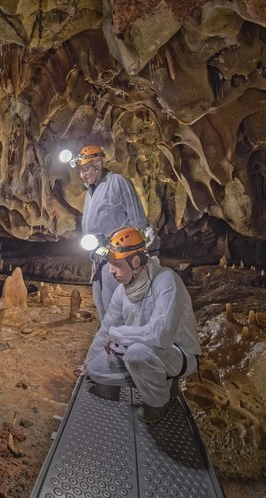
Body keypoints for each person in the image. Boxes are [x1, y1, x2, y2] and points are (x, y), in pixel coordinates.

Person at [77, 227, 201, 424]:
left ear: (135, 262)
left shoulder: (166, 281)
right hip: (143, 349)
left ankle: (158, 403)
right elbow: (107, 328)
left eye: (116, 264)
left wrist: (118, 334)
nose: (111, 271)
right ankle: (156, 379)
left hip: (177, 353)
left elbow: (161, 336)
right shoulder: (123, 290)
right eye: (110, 264)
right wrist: (88, 360)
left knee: (136, 353)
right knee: (95, 369)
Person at [74, 145, 148, 321]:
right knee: (102, 303)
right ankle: (108, 341)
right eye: (80, 171)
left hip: (121, 256)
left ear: (98, 165)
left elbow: (138, 221)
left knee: (120, 306)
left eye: (85, 169)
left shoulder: (117, 182)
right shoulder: (89, 194)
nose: (82, 175)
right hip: (99, 257)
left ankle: (125, 342)